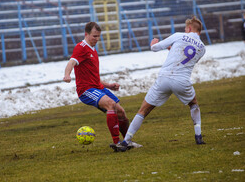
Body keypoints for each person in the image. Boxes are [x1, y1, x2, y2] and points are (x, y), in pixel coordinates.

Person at [116, 16, 206, 152]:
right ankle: (198, 136)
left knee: (144, 109)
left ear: (188, 28)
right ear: (199, 31)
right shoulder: (203, 48)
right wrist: (173, 49)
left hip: (164, 78)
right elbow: (185, 59)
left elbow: (155, 48)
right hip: (182, 80)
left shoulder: (178, 35)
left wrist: (154, 43)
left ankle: (126, 140)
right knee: (193, 104)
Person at [63, 22, 142, 151]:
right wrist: (67, 75)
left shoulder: (93, 49)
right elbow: (71, 62)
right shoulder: (81, 47)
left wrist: (109, 85)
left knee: (121, 112)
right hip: (86, 90)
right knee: (111, 104)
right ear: (86, 34)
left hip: (98, 87)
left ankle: (127, 141)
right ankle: (117, 143)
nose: (97, 39)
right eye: (94, 36)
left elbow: (93, 76)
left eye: (98, 36)